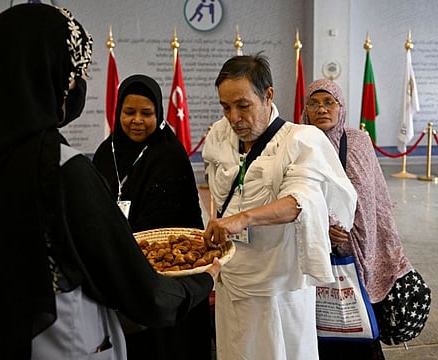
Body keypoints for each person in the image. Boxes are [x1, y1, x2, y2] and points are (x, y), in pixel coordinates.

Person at [0, 4, 220, 360]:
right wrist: (202, 281)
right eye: (74, 75)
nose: (78, 86)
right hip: (53, 344)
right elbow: (138, 290)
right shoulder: (59, 168)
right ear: (45, 78)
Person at [202, 53, 358, 360]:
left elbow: (300, 201)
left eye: (243, 105)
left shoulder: (300, 140)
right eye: (226, 107)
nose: (234, 117)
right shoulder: (221, 136)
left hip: (279, 285)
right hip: (233, 278)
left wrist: (243, 219)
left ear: (268, 95)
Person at [92, 74, 212, 360]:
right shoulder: (105, 153)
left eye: (147, 113)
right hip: (118, 274)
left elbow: (177, 225)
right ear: (118, 111)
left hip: (165, 277)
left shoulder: (170, 155)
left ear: (158, 114)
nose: (136, 120)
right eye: (128, 112)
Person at [302, 78, 413, 360]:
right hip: (314, 253)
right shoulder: (299, 143)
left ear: (341, 107)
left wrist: (387, 245)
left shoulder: (359, 141)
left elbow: (378, 199)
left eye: (329, 102)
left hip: (362, 252)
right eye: (313, 103)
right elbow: (294, 196)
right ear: (305, 109)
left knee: (362, 323)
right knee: (321, 327)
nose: (322, 109)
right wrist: (321, 226)